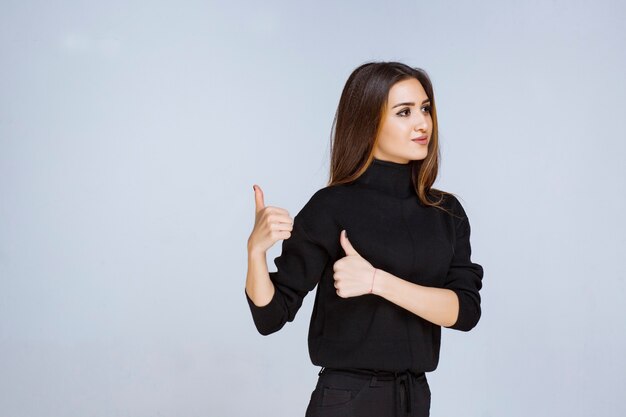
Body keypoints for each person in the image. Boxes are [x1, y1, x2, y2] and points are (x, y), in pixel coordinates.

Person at [245, 61, 484, 417]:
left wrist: (377, 282)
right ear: (368, 121)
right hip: (348, 399)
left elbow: (465, 312)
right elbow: (271, 316)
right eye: (404, 112)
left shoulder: (446, 212)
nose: (423, 123)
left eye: (425, 109)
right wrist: (255, 252)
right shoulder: (331, 206)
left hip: (414, 397)